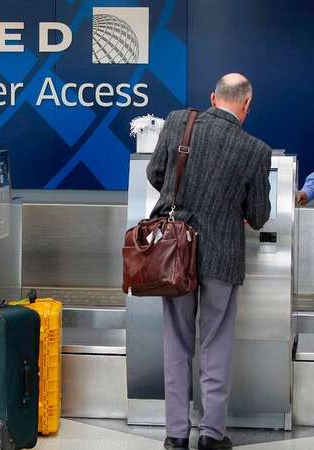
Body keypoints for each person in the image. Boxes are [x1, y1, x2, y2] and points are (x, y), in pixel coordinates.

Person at [147, 73, 271, 450]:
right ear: (246, 105)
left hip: (174, 253)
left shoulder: (177, 123)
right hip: (223, 257)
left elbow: (155, 174)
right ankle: (212, 435)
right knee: (216, 344)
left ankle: (176, 435)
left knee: (177, 343)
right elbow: (259, 214)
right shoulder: (255, 150)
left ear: (212, 97)